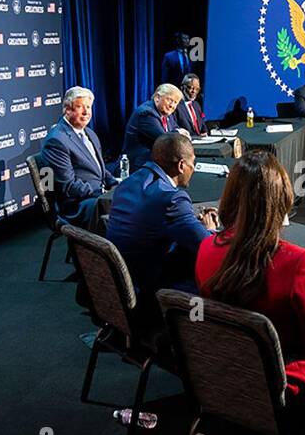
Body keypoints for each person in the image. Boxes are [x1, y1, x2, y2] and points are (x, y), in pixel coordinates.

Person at [195, 149, 305, 404]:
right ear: (280, 200)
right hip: (279, 381)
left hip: (224, 370)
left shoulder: (205, 249)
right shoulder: (299, 262)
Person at [106, 134, 218, 297]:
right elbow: (206, 246)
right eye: (193, 163)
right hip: (151, 288)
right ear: (181, 165)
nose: (193, 168)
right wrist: (210, 228)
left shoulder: (129, 182)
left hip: (119, 282)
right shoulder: (172, 199)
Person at [39, 86, 117, 228]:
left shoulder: (90, 133)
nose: (86, 112)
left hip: (96, 196)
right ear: (67, 109)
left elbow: (100, 169)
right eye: (80, 107)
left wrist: (116, 184)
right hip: (76, 205)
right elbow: (68, 186)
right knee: (118, 213)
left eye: (88, 107)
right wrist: (102, 193)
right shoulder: (57, 140)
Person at [121, 84, 182, 169]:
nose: (172, 105)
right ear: (157, 97)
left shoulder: (167, 114)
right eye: (170, 100)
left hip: (156, 162)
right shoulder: (146, 113)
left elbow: (175, 129)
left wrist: (178, 132)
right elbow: (165, 139)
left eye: (175, 102)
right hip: (139, 166)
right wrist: (179, 133)